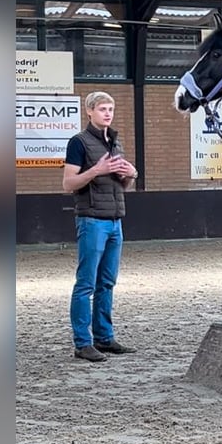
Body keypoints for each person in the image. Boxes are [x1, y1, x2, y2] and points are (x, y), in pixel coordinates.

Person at [62, 91, 138, 362]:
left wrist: (130, 175)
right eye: (103, 109)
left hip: (115, 221)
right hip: (92, 220)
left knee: (107, 282)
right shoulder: (78, 143)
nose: (108, 113)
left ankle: (104, 337)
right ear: (89, 112)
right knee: (86, 284)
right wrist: (97, 170)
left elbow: (121, 185)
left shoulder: (115, 144)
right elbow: (68, 184)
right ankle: (83, 343)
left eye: (111, 109)